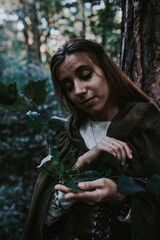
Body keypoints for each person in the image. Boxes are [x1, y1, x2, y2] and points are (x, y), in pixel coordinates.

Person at [22, 39, 160, 240]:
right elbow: (45, 220)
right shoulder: (67, 138)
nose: (78, 90)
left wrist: (120, 198)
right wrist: (82, 162)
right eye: (68, 86)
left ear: (106, 70)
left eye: (85, 75)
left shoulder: (149, 127)